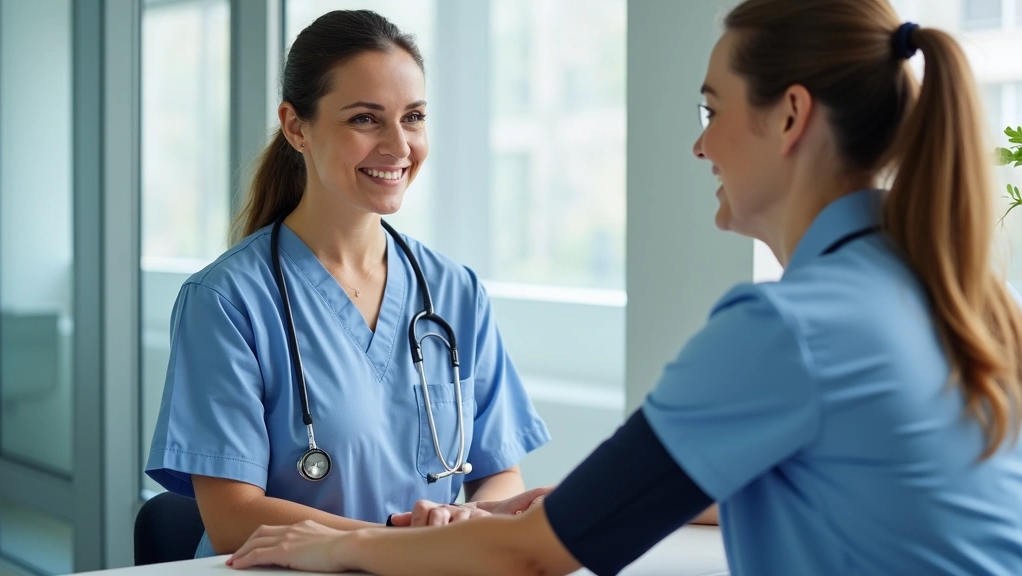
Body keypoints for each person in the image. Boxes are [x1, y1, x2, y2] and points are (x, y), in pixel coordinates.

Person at [225, 0, 1022, 574]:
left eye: (713, 108)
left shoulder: (790, 327)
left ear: (790, 118)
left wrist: (344, 546)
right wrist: (565, 499)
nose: (700, 142)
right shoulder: (957, 293)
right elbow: (840, 476)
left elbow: (534, 556)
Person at [144, 9, 552, 557]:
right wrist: (403, 543)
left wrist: (479, 516)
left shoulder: (456, 292)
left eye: (413, 117)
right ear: (296, 127)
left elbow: (500, 474)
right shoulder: (226, 301)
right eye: (365, 119)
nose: (399, 146)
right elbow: (232, 518)